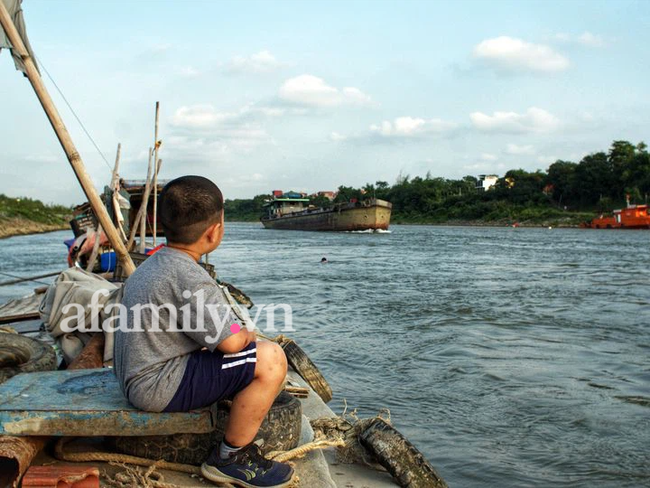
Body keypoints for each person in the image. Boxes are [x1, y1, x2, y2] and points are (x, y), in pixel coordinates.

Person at [114, 176, 293, 488]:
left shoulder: (151, 265)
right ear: (215, 230)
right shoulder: (190, 277)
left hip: (135, 378)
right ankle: (230, 457)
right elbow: (232, 341)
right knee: (272, 359)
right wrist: (245, 330)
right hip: (157, 386)